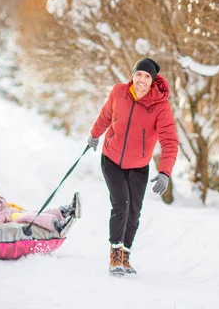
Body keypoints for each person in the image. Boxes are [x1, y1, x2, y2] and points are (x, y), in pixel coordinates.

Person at [88, 57, 178, 275]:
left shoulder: (160, 106)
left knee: (134, 212)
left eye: (147, 76)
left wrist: (165, 172)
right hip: (112, 160)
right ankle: (115, 256)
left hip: (139, 165)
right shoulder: (119, 92)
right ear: (132, 75)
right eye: (139, 74)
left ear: (153, 81)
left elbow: (169, 141)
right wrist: (94, 135)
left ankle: (126, 254)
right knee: (121, 204)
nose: (141, 79)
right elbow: (106, 115)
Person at [0, 175, 80, 240]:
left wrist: (22, 212)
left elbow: (20, 213)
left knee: (30, 215)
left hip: (10, 219)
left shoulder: (2, 205)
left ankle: (63, 212)